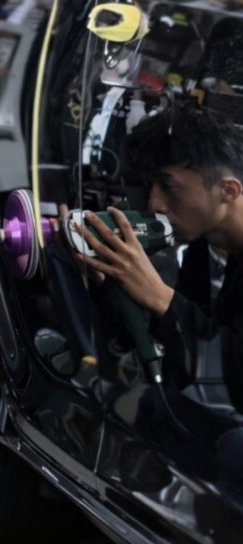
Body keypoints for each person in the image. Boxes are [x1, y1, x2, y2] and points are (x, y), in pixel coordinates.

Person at [74, 103, 243, 410]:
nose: (155, 204)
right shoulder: (203, 249)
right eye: (151, 186)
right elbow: (182, 360)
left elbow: (232, 381)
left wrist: (160, 297)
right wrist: (111, 284)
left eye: (168, 186)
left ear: (228, 191)